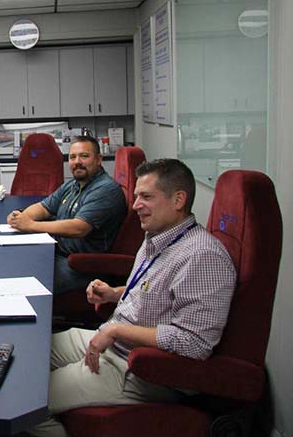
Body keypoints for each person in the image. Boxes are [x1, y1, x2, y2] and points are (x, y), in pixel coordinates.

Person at [28, 159, 236, 437]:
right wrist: (115, 293)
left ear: (178, 200)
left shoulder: (202, 257)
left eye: (146, 197)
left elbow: (194, 343)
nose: (136, 205)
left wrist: (116, 329)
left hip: (138, 368)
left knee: (26, 403)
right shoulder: (158, 236)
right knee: (28, 353)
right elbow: (156, 289)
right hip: (115, 341)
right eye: (137, 195)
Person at [6, 135, 126, 294]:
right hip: (58, 253)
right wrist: (21, 217)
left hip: (81, 266)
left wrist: (30, 225)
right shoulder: (73, 185)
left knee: (20, 280)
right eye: (72, 157)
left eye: (84, 156)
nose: (77, 161)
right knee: (11, 263)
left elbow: (79, 228)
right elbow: (44, 207)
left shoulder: (105, 189)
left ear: (98, 159)